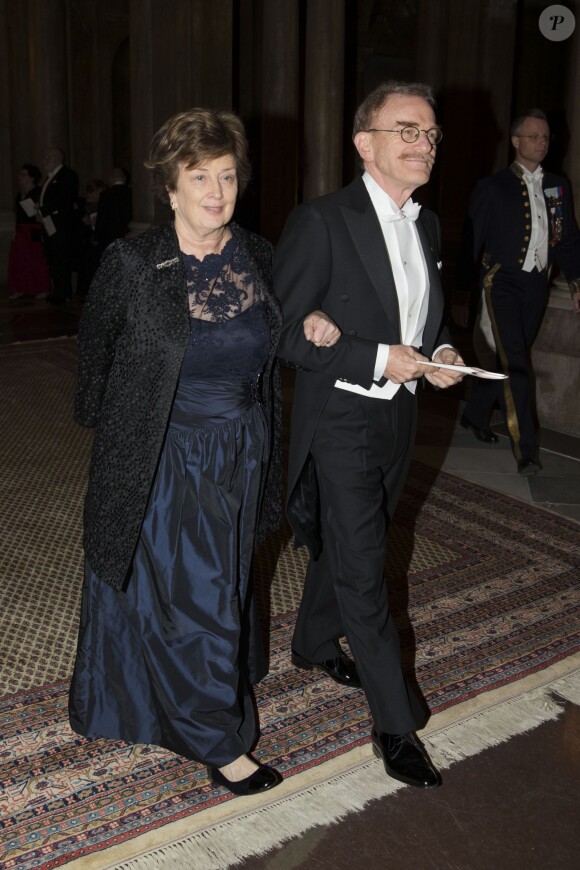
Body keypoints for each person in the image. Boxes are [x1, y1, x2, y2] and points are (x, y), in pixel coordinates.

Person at [69, 107, 331, 797]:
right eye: (199, 177)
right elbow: (93, 358)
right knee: (199, 595)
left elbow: (283, 338)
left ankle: (150, 697)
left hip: (243, 452)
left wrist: (315, 322)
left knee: (212, 585)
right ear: (170, 187)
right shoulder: (131, 263)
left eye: (227, 176)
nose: (216, 192)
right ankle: (218, 739)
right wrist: (124, 438)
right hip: (164, 455)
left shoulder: (260, 254)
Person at [274, 81, 465, 790]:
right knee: (363, 566)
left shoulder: (429, 225)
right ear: (365, 143)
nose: (425, 144)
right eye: (408, 130)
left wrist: (441, 353)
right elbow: (285, 332)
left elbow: (426, 321)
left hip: (400, 416)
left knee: (363, 533)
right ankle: (395, 724)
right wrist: (375, 356)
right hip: (343, 416)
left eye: (432, 134)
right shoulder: (321, 220)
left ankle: (312, 641)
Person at [459, 109, 580, 474]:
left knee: (510, 357)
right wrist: (463, 294)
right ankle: (526, 450)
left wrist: (576, 282)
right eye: (533, 136)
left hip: (536, 286)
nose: (541, 143)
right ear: (516, 141)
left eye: (545, 137)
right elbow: (471, 244)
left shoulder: (559, 187)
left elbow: (568, 239)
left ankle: (475, 415)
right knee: (517, 365)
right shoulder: (492, 187)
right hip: (502, 282)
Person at [37, 146, 79, 304]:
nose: (44, 161)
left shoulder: (67, 175)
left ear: (57, 159)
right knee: (52, 257)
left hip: (61, 225)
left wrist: (43, 210)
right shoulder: (49, 177)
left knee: (61, 257)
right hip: (49, 223)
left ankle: (63, 293)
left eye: (47, 158)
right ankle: (58, 291)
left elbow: (64, 199)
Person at [7, 163, 50, 299]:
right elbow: (17, 214)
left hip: (34, 229)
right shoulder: (19, 194)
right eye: (21, 175)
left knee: (36, 258)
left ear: (32, 178)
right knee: (19, 260)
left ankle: (42, 289)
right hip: (21, 230)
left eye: (24, 175)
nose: (20, 177)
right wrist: (15, 230)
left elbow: (42, 212)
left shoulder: (38, 192)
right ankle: (19, 288)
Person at [94, 167, 132, 250]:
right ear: (124, 178)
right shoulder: (131, 193)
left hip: (109, 235)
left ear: (110, 179)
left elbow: (102, 218)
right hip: (129, 233)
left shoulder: (106, 195)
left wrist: (96, 237)